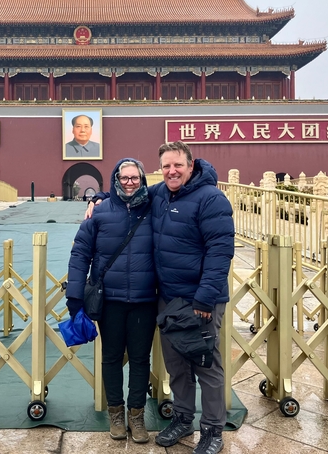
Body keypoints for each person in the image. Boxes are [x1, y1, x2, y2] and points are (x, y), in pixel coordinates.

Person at [86, 141, 234, 454]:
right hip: (169, 299)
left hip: (200, 300)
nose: (172, 171)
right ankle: (182, 419)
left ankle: (212, 430)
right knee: (176, 365)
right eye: (166, 166)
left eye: (178, 165)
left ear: (191, 166)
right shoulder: (161, 194)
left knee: (206, 365)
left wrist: (205, 299)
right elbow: (127, 192)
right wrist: (100, 197)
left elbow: (220, 252)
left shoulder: (212, 199)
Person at [66, 158, 157, 443]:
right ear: (116, 179)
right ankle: (116, 414)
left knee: (142, 359)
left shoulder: (155, 211)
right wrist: (75, 295)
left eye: (135, 178)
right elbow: (81, 254)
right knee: (112, 357)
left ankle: (137, 416)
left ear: (142, 179)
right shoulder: (101, 213)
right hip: (111, 299)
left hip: (144, 298)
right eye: (124, 177)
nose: (130, 182)